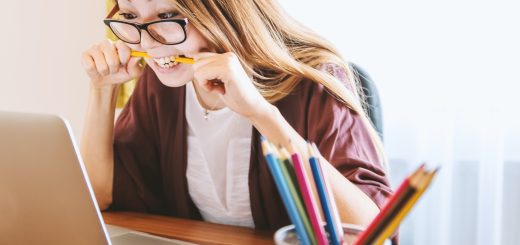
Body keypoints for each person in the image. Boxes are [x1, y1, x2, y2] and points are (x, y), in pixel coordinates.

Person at [80, 0, 393, 232]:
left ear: (222, 12)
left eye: (168, 16)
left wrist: (259, 113)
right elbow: (100, 197)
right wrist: (102, 90)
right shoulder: (162, 84)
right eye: (131, 17)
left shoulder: (314, 81)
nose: (148, 44)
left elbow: (371, 230)